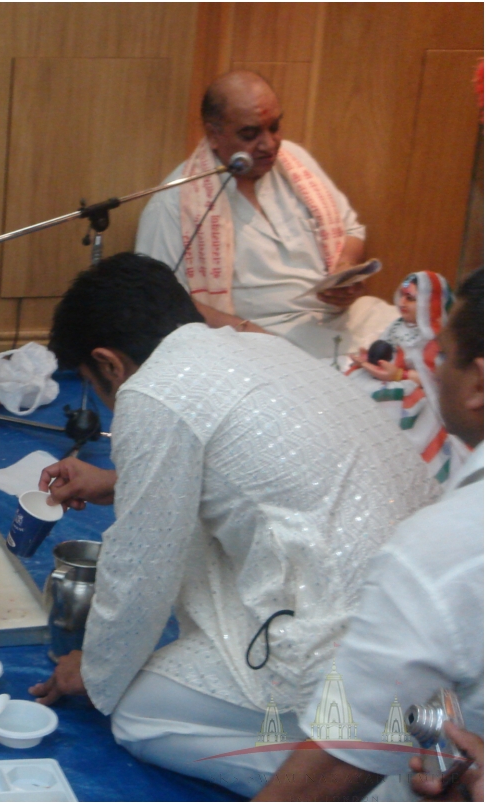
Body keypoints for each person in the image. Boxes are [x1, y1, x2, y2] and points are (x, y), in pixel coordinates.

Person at [27, 252, 436, 798]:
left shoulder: (152, 389)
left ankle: (364, 781)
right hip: (433, 628)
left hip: (351, 651)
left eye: (92, 382)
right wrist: (115, 481)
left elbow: (140, 570)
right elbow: (244, 469)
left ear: (109, 364)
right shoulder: (254, 345)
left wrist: (95, 672)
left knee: (137, 713)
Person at [256, 268, 483, 802]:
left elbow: (334, 767)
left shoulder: (442, 546)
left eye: (443, 356)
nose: (432, 368)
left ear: (479, 383)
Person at [135, 71, 395, 360]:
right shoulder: (174, 203)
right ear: (213, 134)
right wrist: (246, 332)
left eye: (274, 127)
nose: (269, 144)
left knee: (421, 341)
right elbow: (163, 299)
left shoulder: (295, 161)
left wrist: (344, 271)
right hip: (267, 339)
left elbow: (351, 230)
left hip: (347, 317)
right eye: (250, 134)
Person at [347, 270, 467, 483]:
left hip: (414, 391)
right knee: (355, 381)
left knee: (388, 399)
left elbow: (434, 380)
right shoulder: (397, 327)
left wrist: (399, 375)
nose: (402, 302)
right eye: (402, 296)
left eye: (411, 299)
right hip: (386, 376)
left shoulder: (434, 339)